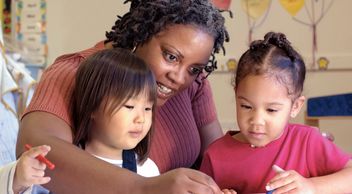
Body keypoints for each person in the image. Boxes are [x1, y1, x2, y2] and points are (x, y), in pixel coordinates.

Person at [16, 0, 229, 193]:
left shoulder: (195, 83)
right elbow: (39, 150)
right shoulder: (75, 73)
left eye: (193, 69)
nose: (179, 78)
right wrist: (144, 188)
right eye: (170, 56)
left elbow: (221, 161)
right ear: (141, 34)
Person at [200, 32, 352, 193]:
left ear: (295, 106)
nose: (257, 120)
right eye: (246, 106)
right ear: (236, 95)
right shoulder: (215, 155)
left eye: (271, 110)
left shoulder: (307, 142)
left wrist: (312, 187)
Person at [71, 48, 159, 177]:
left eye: (147, 109)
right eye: (129, 106)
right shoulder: (65, 161)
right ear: (92, 106)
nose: (141, 119)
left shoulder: (146, 170)